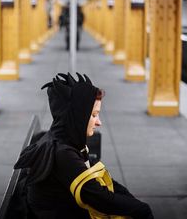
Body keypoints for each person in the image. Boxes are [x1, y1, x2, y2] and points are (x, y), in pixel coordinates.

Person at [14, 73, 154, 219]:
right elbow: (101, 199)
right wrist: (142, 208)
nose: (99, 122)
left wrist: (130, 199)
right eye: (94, 115)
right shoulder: (64, 154)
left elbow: (99, 181)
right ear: (77, 117)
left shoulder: (66, 139)